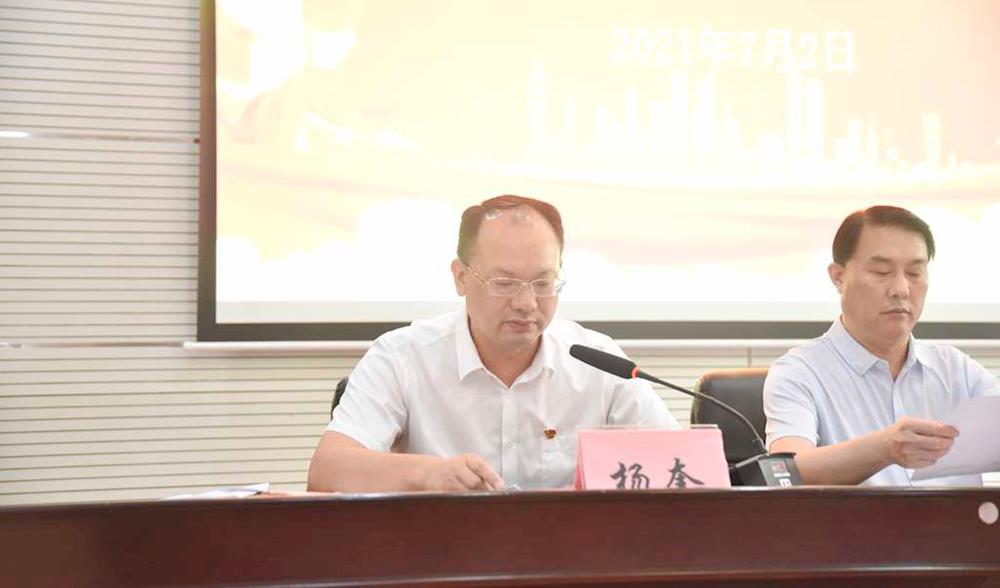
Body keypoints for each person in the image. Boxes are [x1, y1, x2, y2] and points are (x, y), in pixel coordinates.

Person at [307, 194, 677, 492]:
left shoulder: (600, 364)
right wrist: (430, 474)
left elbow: (682, 468)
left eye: (543, 283)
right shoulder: (403, 357)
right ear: (460, 277)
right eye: (504, 283)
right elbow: (328, 471)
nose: (526, 303)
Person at [764, 205, 999, 486]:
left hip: (959, 517)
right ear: (838, 277)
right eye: (881, 271)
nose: (901, 289)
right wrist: (884, 448)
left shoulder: (957, 370)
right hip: (859, 517)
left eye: (914, 273)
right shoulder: (799, 372)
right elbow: (785, 471)